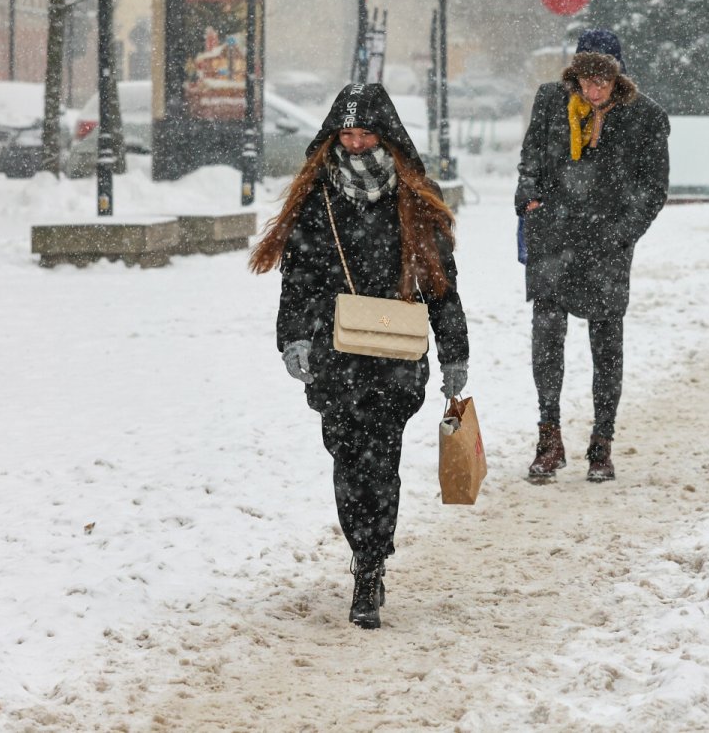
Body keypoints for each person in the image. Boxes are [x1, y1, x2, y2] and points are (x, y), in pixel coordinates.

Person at [249, 83, 468, 630]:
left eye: (365, 132)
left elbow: (441, 285)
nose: (354, 143)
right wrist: (293, 337)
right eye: (345, 133)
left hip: (396, 352)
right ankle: (364, 550)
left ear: (386, 134)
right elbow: (297, 280)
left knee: (381, 457)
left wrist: (454, 353)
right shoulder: (317, 197)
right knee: (347, 458)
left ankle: (370, 565)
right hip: (335, 348)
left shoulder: (415, 196)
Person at [516, 31, 670, 483]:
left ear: (618, 77)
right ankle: (549, 436)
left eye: (602, 79)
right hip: (553, 238)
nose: (593, 88)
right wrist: (528, 198)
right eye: (585, 78)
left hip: (605, 246)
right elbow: (530, 160)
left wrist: (622, 234)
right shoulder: (551, 102)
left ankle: (602, 442)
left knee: (606, 344)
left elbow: (653, 189)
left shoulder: (646, 118)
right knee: (546, 340)